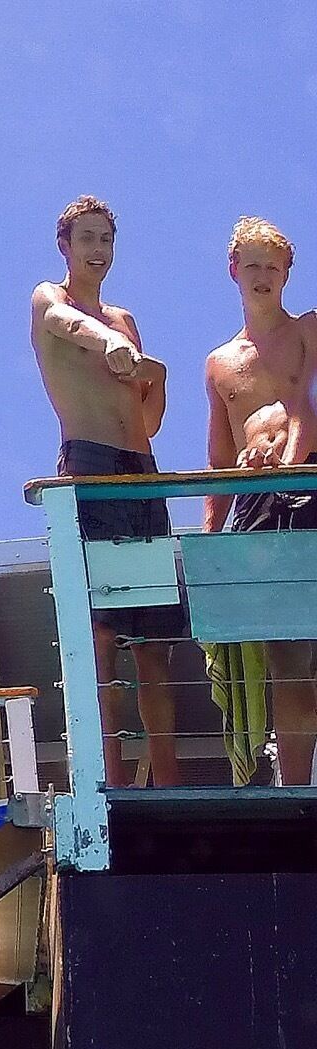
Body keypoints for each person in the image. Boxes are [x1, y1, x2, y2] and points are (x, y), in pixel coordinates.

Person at [31, 195, 184, 787]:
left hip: (140, 470)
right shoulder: (53, 297)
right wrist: (107, 345)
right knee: (101, 636)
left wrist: (159, 377)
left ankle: (168, 782)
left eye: (107, 240)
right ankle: (111, 781)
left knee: (152, 642)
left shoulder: (125, 320)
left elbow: (147, 423)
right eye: (88, 238)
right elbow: (65, 325)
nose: (99, 250)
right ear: (65, 246)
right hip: (90, 465)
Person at [204, 217, 317, 786]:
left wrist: (289, 463)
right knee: (284, 659)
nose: (262, 275)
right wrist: (207, 542)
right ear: (233, 271)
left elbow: (307, 407)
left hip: (310, 497)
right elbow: (220, 459)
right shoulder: (220, 363)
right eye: (252, 264)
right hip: (254, 513)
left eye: (273, 266)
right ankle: (295, 792)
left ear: (288, 274)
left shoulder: (310, 331)